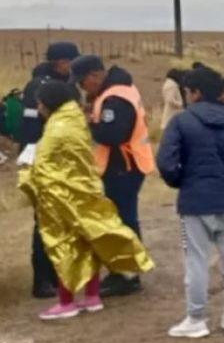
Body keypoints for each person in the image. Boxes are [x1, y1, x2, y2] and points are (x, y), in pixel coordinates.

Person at [18, 81, 154, 320]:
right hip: (86, 191)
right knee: (88, 243)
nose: (38, 109)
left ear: (49, 104)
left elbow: (43, 168)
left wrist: (25, 175)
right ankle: (92, 296)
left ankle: (66, 302)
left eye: (40, 104)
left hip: (63, 197)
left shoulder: (56, 128)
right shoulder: (76, 120)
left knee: (64, 246)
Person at [158, 67, 224, 338]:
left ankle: (196, 318)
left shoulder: (181, 122)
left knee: (196, 260)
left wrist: (182, 181)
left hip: (194, 202)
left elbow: (166, 163)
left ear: (194, 93)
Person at [70, 55, 155, 298]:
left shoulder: (115, 98)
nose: (82, 87)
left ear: (95, 75)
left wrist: (89, 123)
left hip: (123, 166)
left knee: (123, 221)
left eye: (83, 81)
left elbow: (113, 135)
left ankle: (128, 274)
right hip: (125, 165)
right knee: (122, 219)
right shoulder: (120, 90)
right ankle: (125, 270)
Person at [18, 41, 80, 299]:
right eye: (72, 62)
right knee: (45, 221)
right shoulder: (38, 87)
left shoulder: (67, 84)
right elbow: (30, 129)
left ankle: (58, 273)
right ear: (61, 62)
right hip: (45, 161)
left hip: (65, 162)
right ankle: (42, 279)